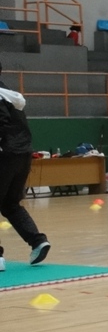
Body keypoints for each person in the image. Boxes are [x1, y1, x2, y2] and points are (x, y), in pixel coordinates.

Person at [0, 60, 50, 272]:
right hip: (23, 154)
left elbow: (1, 123)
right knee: (10, 204)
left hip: (5, 154)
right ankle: (37, 241)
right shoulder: (8, 92)